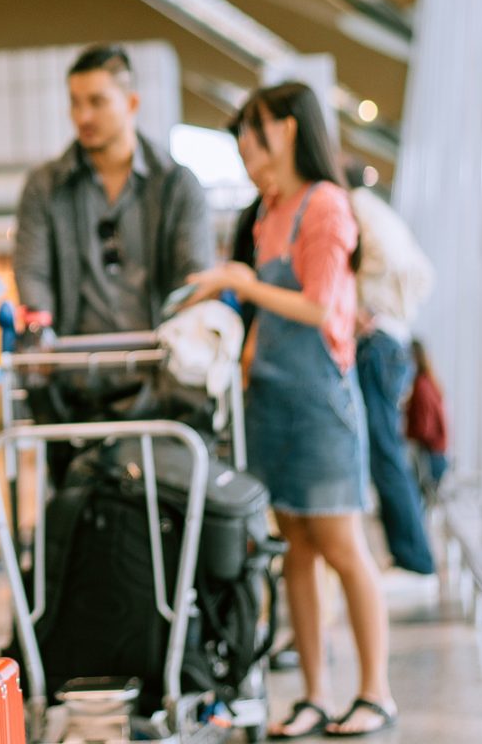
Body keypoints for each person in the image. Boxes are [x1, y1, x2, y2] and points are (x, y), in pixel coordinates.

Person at [183, 83, 394, 739]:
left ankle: (375, 691)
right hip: (270, 401)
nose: (249, 144)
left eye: (259, 129)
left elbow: (321, 306)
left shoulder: (325, 205)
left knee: (341, 547)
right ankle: (314, 693)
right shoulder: (267, 211)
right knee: (294, 551)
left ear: (291, 130)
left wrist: (241, 283)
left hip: (320, 404)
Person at [12, 45, 213, 434]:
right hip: (74, 384)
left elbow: (194, 275)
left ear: (132, 102)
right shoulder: (45, 186)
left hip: (163, 380)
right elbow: (32, 271)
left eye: (97, 102)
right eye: (75, 103)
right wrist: (42, 333)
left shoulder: (176, 185)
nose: (83, 116)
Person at [343, 169, 438, 575]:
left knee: (384, 453)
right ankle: (412, 556)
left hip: (378, 343)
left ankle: (415, 560)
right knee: (386, 453)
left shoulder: (360, 209)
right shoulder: (381, 212)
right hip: (392, 338)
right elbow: (422, 275)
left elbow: (384, 258)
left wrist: (364, 301)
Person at [404, 338, 449, 504]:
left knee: (421, 505)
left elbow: (425, 428)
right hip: (437, 454)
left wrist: (405, 432)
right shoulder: (430, 382)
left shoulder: (421, 386)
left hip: (429, 457)